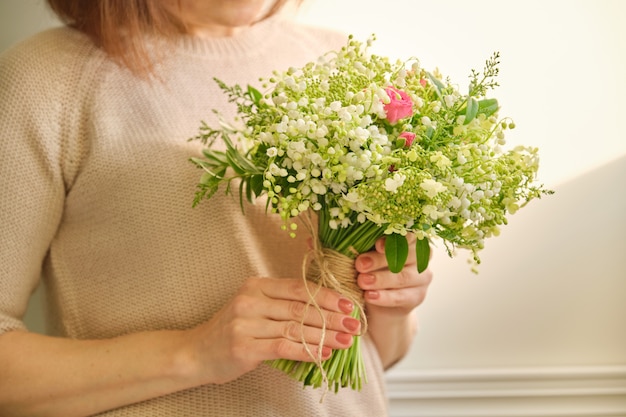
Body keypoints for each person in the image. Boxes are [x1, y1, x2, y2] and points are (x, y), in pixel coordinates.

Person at [0, 1, 433, 415]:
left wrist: (393, 306)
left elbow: (381, 355)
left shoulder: (343, 62)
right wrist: (194, 353)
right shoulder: (46, 79)